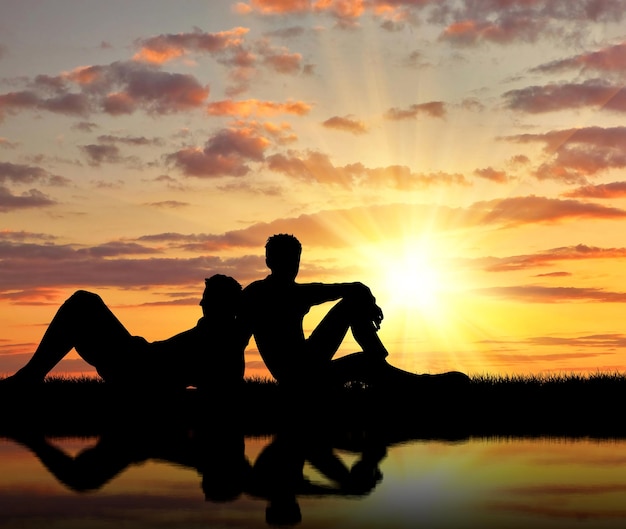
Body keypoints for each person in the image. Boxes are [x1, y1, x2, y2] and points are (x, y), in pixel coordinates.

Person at [234, 233, 468, 391]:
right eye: (286, 260)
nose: (292, 267)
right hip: (297, 378)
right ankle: (415, 383)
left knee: (354, 317)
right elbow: (238, 343)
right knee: (365, 357)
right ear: (270, 261)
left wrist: (369, 303)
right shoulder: (258, 294)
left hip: (307, 364)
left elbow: (355, 288)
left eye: (295, 260)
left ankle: (383, 365)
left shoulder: (294, 292)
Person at [0, 274, 244, 392]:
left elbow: (221, 382)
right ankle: (30, 376)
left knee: (84, 302)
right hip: (136, 358)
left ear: (222, 305)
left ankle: (29, 376)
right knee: (82, 305)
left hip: (135, 366)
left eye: (206, 300)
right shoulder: (217, 336)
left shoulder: (222, 342)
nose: (200, 304)